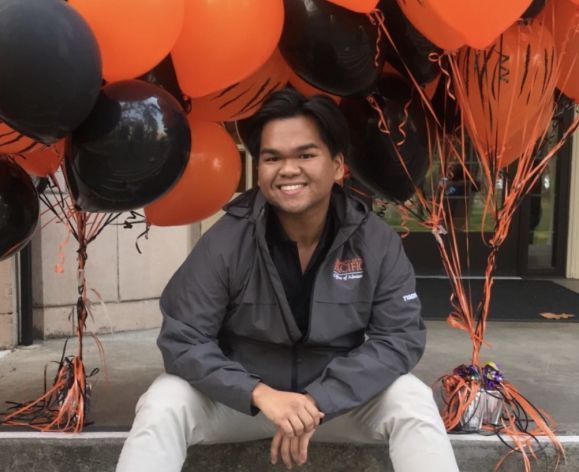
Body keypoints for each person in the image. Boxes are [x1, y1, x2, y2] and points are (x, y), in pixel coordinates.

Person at [116, 88, 459, 472]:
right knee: (164, 400)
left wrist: (318, 400)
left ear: (338, 165)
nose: (288, 169)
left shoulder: (374, 241)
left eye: (306, 155)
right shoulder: (229, 239)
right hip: (244, 405)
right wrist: (258, 393)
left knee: (411, 398)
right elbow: (183, 339)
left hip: (334, 407)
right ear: (258, 168)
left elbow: (399, 338)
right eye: (272, 158)